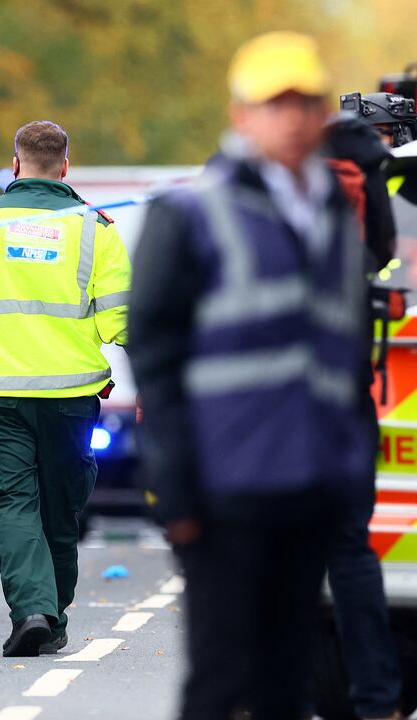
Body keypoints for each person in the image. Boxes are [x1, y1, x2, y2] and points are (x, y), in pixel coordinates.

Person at [128, 32, 375, 720]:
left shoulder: (333, 211)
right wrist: (175, 491)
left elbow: (348, 352)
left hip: (312, 487)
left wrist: (351, 470)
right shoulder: (190, 213)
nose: (294, 117)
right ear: (241, 115)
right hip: (222, 490)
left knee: (285, 681)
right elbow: (156, 357)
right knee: (222, 677)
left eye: (307, 102)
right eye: (276, 103)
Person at [0, 121, 130, 657]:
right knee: (60, 511)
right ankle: (50, 616)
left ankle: (36, 613)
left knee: (15, 505)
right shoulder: (96, 229)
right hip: (71, 399)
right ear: (66, 165)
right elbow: (123, 324)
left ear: (15, 165)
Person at [323, 108, 403, 720]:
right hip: (345, 395)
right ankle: (377, 699)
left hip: (269, 402)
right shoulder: (366, 178)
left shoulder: (257, 182)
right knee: (350, 547)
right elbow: (381, 255)